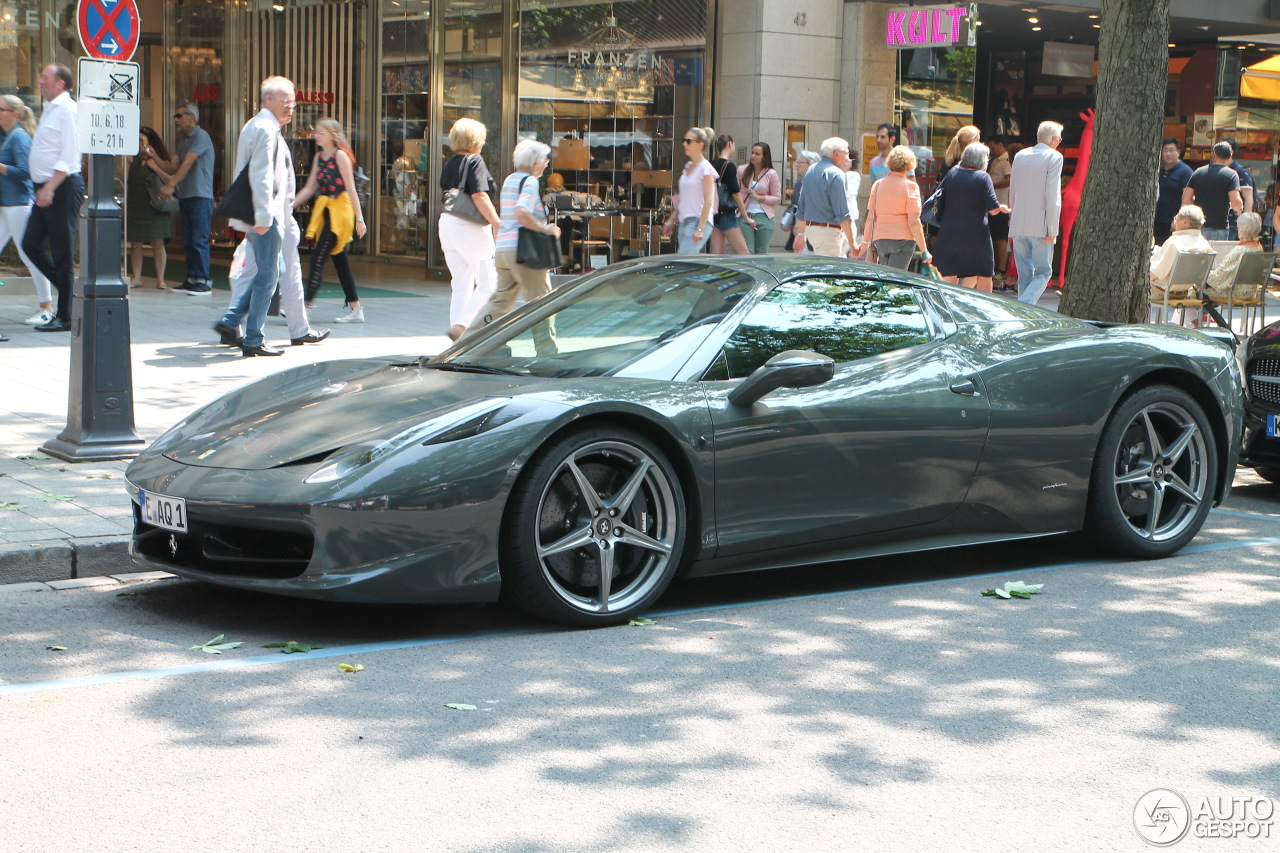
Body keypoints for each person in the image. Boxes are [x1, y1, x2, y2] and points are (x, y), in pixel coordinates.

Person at [214, 76, 304, 357]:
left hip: (261, 213)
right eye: (285, 101)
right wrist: (264, 217)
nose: (291, 107)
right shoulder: (266, 128)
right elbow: (261, 175)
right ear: (268, 100)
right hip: (265, 214)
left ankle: (231, 322)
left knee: (267, 271)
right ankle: (253, 338)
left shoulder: (258, 125)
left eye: (293, 101)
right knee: (268, 275)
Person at [463, 138, 560, 354]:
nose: (546, 164)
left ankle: (469, 343)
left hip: (505, 251)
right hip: (526, 252)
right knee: (542, 303)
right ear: (535, 162)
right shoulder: (531, 182)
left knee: (499, 303)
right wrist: (546, 229)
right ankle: (548, 354)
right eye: (544, 160)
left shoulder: (510, 180)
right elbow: (522, 211)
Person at [24, 63, 84, 333]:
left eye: (45, 77)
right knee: (31, 243)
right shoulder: (51, 108)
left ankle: (66, 315)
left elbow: (70, 155)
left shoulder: (68, 110)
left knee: (61, 251)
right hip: (47, 188)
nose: (40, 81)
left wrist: (50, 187)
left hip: (61, 187)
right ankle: (69, 293)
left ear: (60, 83)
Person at [294, 118, 367, 323]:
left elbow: (351, 188)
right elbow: (310, 187)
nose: (316, 135)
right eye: (315, 132)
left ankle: (305, 306)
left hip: (341, 212)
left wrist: (359, 219)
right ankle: (356, 308)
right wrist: (288, 205)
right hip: (327, 211)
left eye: (320, 132)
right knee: (340, 261)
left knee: (318, 257)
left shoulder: (340, 156)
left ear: (333, 135)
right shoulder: (319, 156)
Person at [439, 117, 499, 341]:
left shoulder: (450, 163)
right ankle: (463, 326)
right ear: (475, 140)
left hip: (447, 224)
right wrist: (495, 222)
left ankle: (457, 332)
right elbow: (479, 195)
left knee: (461, 284)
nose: (483, 143)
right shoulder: (475, 160)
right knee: (488, 282)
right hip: (471, 229)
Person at [149, 103, 215, 295]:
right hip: (187, 195)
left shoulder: (201, 136)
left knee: (199, 239)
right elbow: (171, 167)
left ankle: (204, 279)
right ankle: (193, 278)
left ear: (191, 117)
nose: (176, 120)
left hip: (200, 196)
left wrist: (170, 185)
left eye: (178, 116)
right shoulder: (185, 140)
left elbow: (187, 164)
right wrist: (152, 156)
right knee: (189, 240)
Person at [0, 94, 53, 327]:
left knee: (29, 256)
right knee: (29, 255)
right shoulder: (6, 136)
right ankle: (47, 307)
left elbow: (26, 172)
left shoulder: (19, 137)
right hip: (6, 205)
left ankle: (47, 308)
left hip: (19, 205)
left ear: (13, 113)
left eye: (0, 108)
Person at [932, 142, 1009, 292]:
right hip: (976, 234)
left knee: (949, 270)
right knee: (984, 272)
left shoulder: (952, 173)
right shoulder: (983, 177)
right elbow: (993, 209)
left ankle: (949, 302)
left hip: (950, 230)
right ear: (981, 160)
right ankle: (984, 306)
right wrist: (1002, 208)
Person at [1009, 120, 1064, 306]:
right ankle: (1022, 305)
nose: (1060, 140)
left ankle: (1023, 310)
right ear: (1052, 139)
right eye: (1059, 138)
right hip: (1041, 224)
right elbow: (1052, 195)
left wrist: (1012, 219)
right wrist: (1053, 228)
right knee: (1043, 272)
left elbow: (1013, 191)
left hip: (1018, 222)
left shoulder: (1019, 156)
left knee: (1025, 274)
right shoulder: (1054, 157)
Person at [860, 145, 928, 270]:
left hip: (880, 239)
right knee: (897, 281)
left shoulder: (878, 184)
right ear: (909, 164)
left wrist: (865, 241)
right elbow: (913, 222)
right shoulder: (911, 187)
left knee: (887, 278)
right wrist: (924, 250)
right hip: (903, 240)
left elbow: (871, 217)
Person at [792, 137, 857, 258]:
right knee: (829, 273)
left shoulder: (811, 170)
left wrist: (800, 234)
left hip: (811, 231)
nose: (848, 158)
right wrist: (853, 244)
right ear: (836, 154)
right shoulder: (837, 174)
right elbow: (843, 213)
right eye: (847, 153)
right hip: (828, 232)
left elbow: (802, 207)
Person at [128, 127, 172, 291]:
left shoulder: (159, 159)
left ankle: (160, 279)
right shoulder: (132, 160)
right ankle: (136, 277)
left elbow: (170, 179)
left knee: (157, 242)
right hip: (135, 202)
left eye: (142, 140)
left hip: (155, 205)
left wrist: (154, 165)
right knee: (135, 243)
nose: (139, 144)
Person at [661, 126, 717, 254]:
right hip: (685, 221)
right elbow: (684, 198)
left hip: (698, 221)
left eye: (689, 141)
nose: (685, 144)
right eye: (684, 140)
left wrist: (700, 228)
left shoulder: (706, 168)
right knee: (688, 264)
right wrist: (672, 220)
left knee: (683, 262)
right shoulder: (688, 166)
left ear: (700, 144)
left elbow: (709, 200)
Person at [1149, 204, 1212, 299]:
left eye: (1176, 218)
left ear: (1185, 222)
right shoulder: (1205, 245)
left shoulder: (1174, 242)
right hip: (1185, 293)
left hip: (1162, 292)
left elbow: (1156, 274)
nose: (1174, 222)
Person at [1183, 141, 1242, 242]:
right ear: (1230, 156)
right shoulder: (1231, 175)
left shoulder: (1198, 172)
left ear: (1213, 154)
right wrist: (1239, 210)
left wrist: (1198, 208)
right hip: (1220, 226)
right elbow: (1235, 202)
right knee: (1218, 257)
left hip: (1199, 225)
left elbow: (1186, 198)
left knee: (1200, 256)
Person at [1204, 211, 1264, 301]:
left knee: (1195, 288)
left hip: (1234, 292)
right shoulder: (1259, 248)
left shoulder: (1240, 250)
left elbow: (1221, 274)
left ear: (1241, 228)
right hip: (1251, 291)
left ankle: (1196, 315)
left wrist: (1203, 275)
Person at [709, 134, 754, 254]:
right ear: (730, 144)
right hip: (727, 215)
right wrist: (746, 217)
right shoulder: (729, 166)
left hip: (714, 215)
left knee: (717, 256)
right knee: (744, 254)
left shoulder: (711, 163)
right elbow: (735, 194)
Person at [737, 141, 781, 253]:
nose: (753, 156)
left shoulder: (771, 173)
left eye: (757, 154)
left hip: (764, 217)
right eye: (752, 153)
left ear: (764, 156)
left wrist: (759, 197)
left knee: (761, 252)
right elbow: (736, 192)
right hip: (745, 215)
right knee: (747, 251)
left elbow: (777, 198)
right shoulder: (742, 170)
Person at [1155, 137, 1192, 246]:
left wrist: (1179, 219)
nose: (1168, 154)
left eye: (1171, 150)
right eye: (1165, 150)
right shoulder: (1159, 171)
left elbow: (1188, 198)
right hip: (1158, 220)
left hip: (1174, 222)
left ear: (1178, 152)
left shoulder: (1185, 171)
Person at [987, 135, 1013, 289]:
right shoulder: (995, 161)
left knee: (1000, 237)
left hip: (1002, 203)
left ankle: (1002, 269)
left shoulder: (1005, 161)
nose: (992, 150)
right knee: (995, 237)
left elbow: (1009, 179)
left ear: (1000, 145)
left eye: (993, 147)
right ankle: (998, 267)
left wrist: (993, 186)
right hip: (995, 203)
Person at [784, 149, 820, 252]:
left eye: (800, 162)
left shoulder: (819, 183)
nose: (796, 164)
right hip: (798, 229)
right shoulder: (799, 183)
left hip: (813, 230)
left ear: (811, 164)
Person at [1223, 138, 1255, 240]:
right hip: (1219, 222)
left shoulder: (1241, 172)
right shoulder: (1218, 170)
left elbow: (1249, 198)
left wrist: (1245, 225)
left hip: (1234, 225)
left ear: (1231, 152)